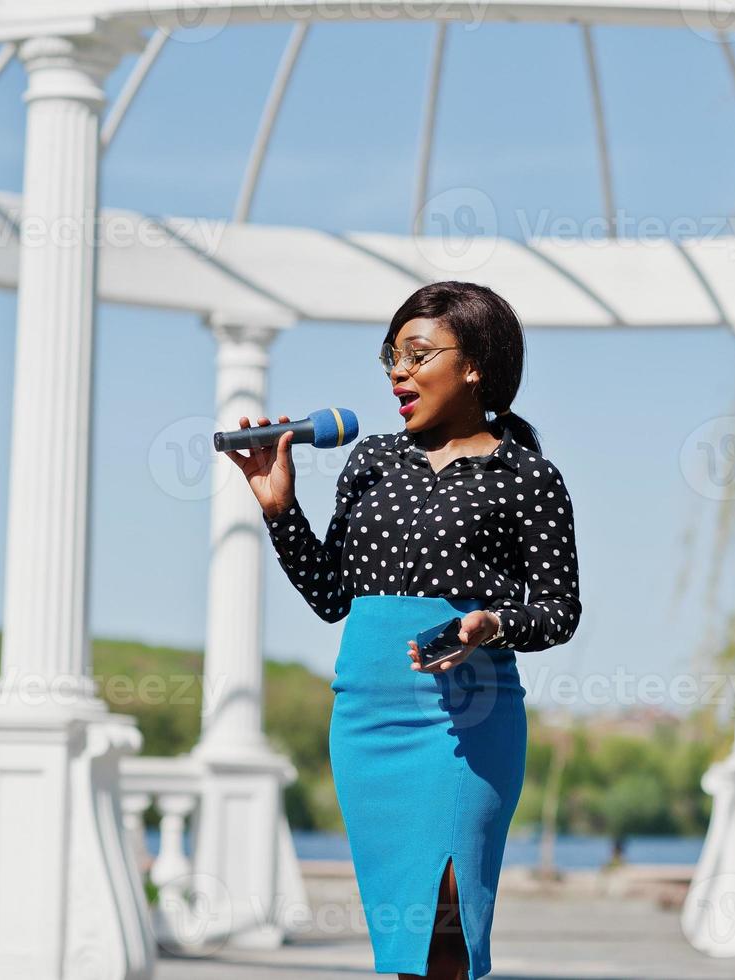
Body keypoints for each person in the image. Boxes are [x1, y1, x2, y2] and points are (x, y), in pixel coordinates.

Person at [222, 280, 583, 980]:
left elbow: (559, 612)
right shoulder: (371, 461)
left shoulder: (527, 478)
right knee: (404, 938)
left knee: (447, 921)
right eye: (392, 355)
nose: (397, 371)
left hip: (465, 726)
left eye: (417, 355)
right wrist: (278, 509)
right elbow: (333, 597)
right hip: (367, 719)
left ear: (473, 364)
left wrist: (490, 624)